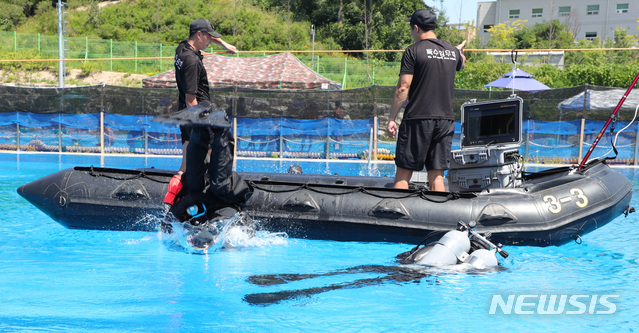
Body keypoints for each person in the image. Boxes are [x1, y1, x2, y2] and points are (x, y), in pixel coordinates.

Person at [386, 8, 466, 191]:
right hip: (445, 120)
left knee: (403, 174)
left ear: (416, 28)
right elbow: (461, 62)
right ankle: (440, 215)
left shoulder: (413, 51)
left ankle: (397, 216)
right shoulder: (452, 52)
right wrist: (457, 51)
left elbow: (403, 88)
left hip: (418, 118)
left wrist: (392, 118)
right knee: (437, 176)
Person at [174, 18, 237, 173]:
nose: (210, 40)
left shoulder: (182, 48)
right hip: (197, 110)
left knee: (185, 163)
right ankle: (215, 187)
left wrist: (224, 44)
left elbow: (206, 35)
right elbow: (191, 98)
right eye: (208, 37)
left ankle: (173, 193)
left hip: (184, 110)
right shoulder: (192, 62)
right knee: (211, 153)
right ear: (199, 35)